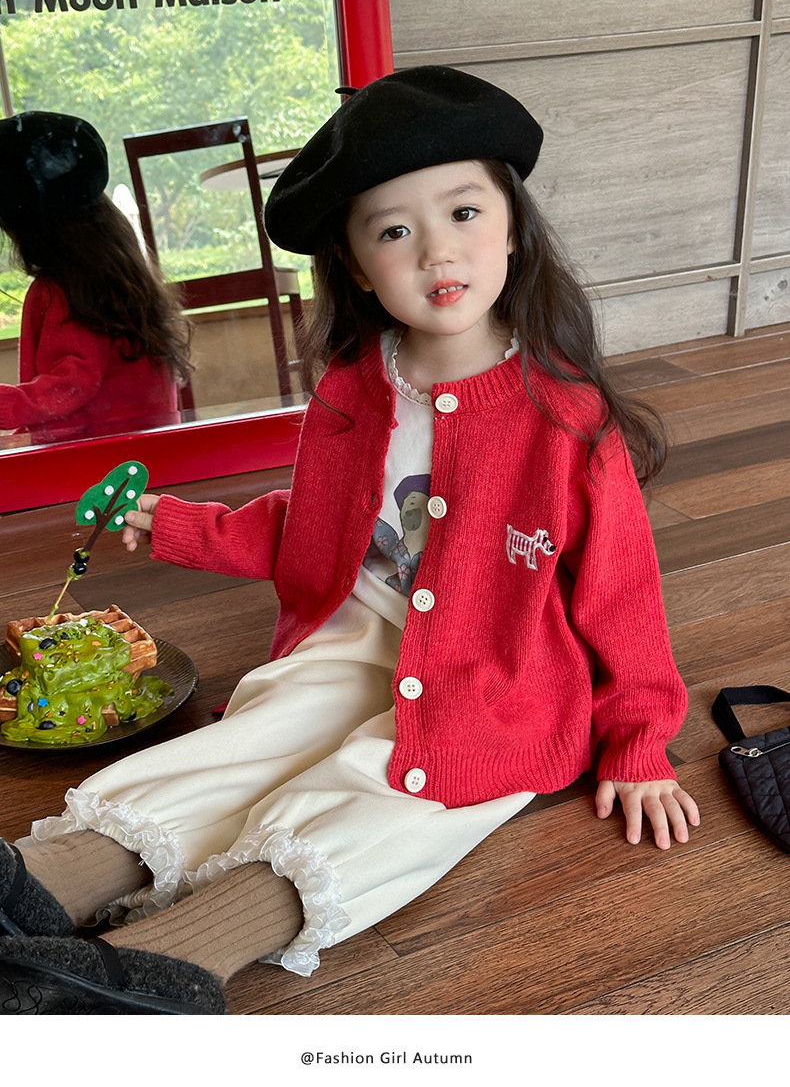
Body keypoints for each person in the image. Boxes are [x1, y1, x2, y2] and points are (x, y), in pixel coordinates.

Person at [0, 67, 699, 1016]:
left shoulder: (566, 420)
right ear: (359, 265)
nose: (437, 249)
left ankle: (158, 966)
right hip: (352, 637)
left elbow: (621, 597)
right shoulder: (354, 386)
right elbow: (317, 529)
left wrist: (639, 742)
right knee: (256, 740)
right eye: (394, 231)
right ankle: (41, 882)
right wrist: (178, 522)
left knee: (399, 795)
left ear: (513, 228)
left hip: (500, 677)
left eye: (464, 212)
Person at [0, 111, 191, 443]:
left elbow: (72, 383)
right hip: (147, 453)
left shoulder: (64, 289)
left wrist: (9, 406)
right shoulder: (118, 274)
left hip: (102, 461)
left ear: (28, 231)